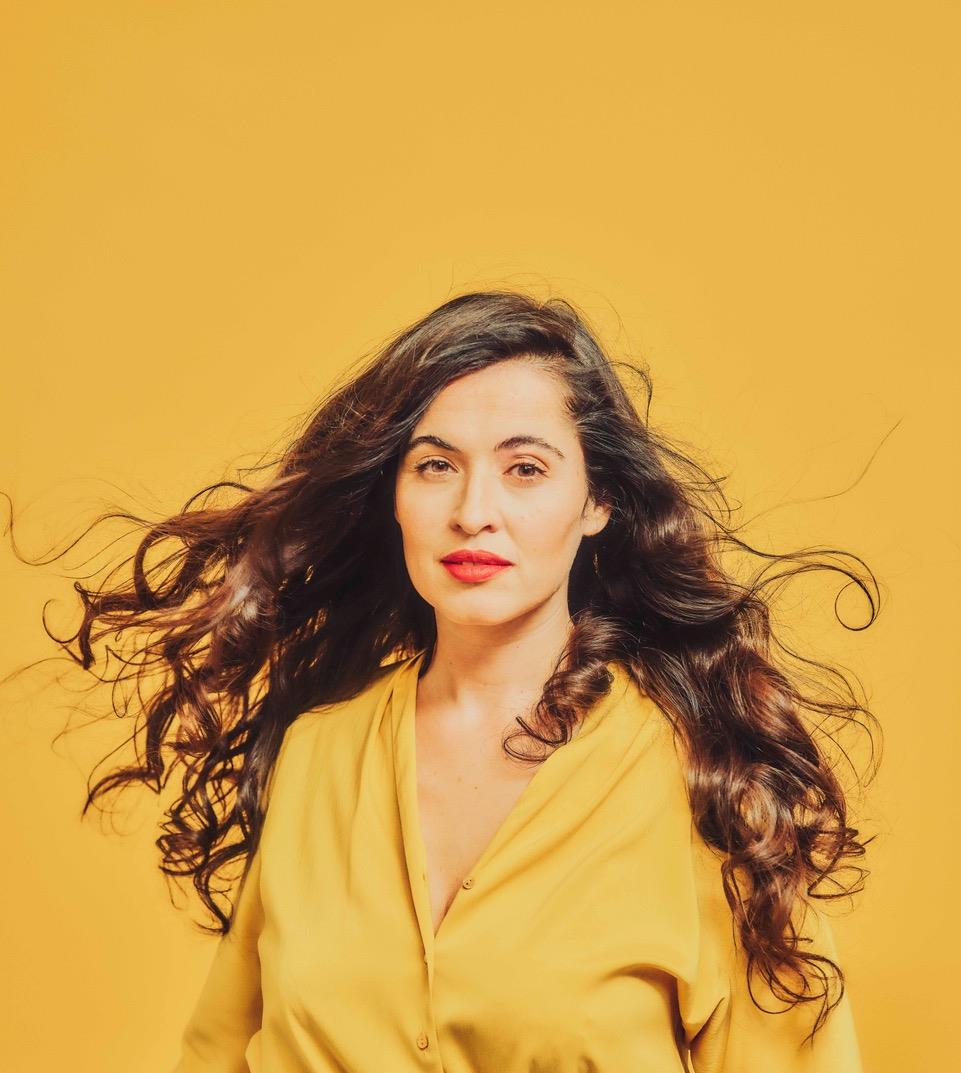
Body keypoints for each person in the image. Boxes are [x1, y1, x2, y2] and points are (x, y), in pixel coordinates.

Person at [17, 289, 877, 1070]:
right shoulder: (317, 753)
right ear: (393, 494)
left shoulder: (707, 777)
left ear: (597, 501)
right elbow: (217, 1053)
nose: (472, 511)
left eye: (525, 468)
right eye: (435, 465)